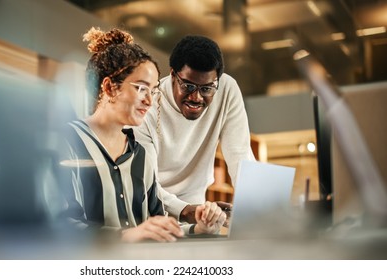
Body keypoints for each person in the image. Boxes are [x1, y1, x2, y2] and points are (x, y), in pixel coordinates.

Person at [52, 27, 226, 243]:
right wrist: (125, 236)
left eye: (153, 91)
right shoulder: (65, 142)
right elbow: (59, 225)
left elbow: (159, 225)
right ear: (109, 88)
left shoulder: (140, 155)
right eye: (141, 89)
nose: (150, 101)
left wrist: (199, 229)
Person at [134, 35, 256, 224]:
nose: (196, 97)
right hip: (150, 215)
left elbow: (240, 154)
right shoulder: (147, 105)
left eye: (207, 88)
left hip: (197, 213)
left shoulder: (227, 89)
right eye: (188, 86)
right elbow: (144, 182)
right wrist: (183, 210)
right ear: (173, 75)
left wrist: (259, 211)